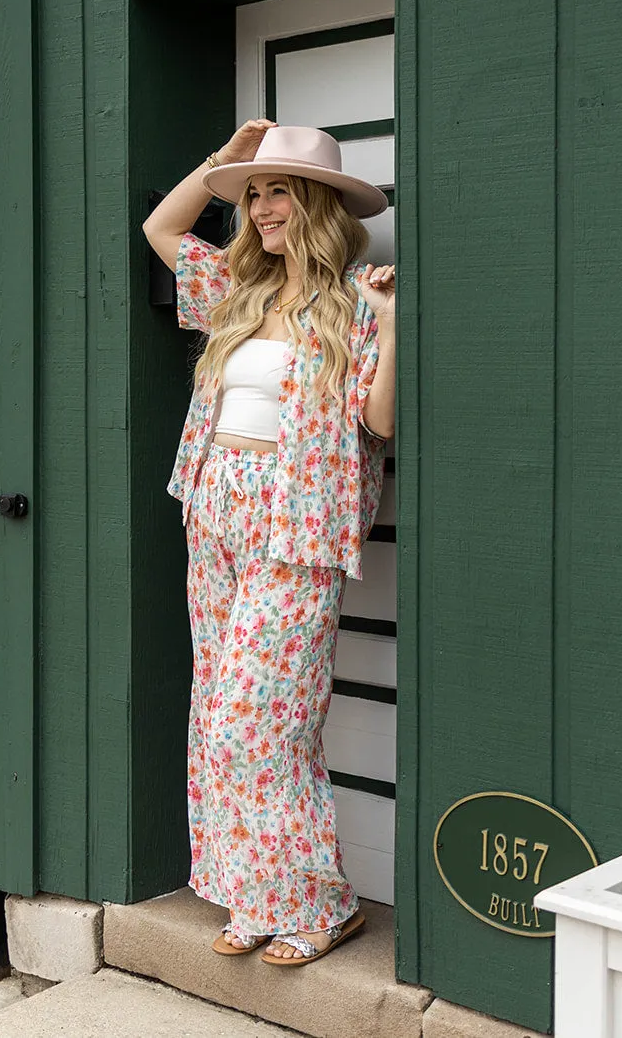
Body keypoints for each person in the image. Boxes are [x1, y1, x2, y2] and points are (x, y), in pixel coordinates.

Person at [142, 120, 397, 965]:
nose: (260, 207)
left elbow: (379, 422)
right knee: (216, 711)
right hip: (214, 506)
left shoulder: (360, 299)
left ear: (317, 201)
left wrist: (391, 327)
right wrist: (224, 158)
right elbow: (162, 229)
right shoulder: (238, 291)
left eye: (276, 188)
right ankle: (256, 893)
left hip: (297, 520)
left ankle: (322, 903)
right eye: (252, 194)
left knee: (261, 718)